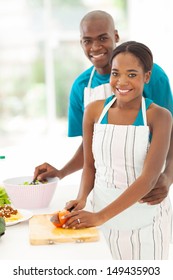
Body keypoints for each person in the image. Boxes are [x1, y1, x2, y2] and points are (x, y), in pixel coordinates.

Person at [34, 10, 173, 205]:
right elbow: (90, 147)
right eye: (87, 40)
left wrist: (168, 176)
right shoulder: (81, 87)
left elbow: (170, 133)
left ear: (115, 36)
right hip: (104, 192)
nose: (95, 47)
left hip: (148, 190)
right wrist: (61, 173)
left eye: (102, 38)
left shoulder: (153, 76)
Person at [61, 41, 173, 260]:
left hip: (145, 222)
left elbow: (149, 179)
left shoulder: (159, 116)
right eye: (115, 73)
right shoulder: (94, 111)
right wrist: (82, 198)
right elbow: (90, 165)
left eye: (132, 75)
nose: (121, 82)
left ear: (147, 77)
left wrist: (99, 217)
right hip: (102, 218)